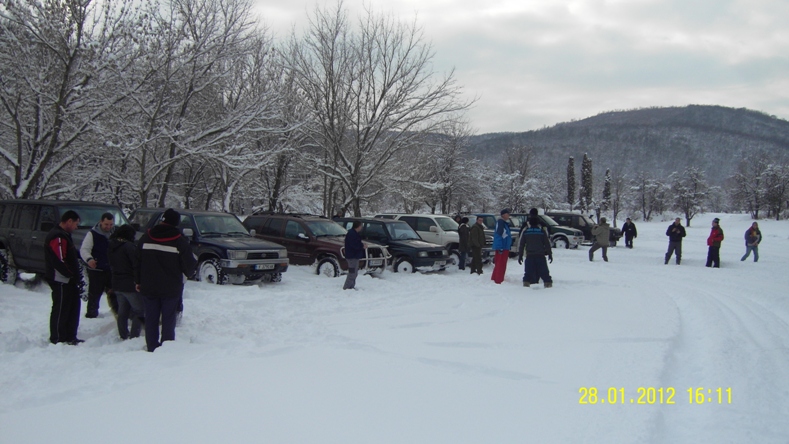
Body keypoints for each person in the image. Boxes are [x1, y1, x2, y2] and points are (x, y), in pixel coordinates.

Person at [136, 209, 197, 352]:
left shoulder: (146, 237)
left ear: (162, 220)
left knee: (151, 318)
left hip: (149, 285)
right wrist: (189, 273)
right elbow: (189, 265)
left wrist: (138, 280)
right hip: (171, 287)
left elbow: (137, 261)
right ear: (176, 223)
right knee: (168, 319)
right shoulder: (179, 241)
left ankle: (151, 346)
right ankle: (166, 349)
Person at [45, 210, 84, 345]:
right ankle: (58, 337)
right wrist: (70, 274)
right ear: (69, 221)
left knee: (72, 307)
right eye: (76, 224)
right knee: (61, 308)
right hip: (60, 279)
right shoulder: (58, 236)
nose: (76, 227)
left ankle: (70, 335)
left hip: (69, 280)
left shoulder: (65, 235)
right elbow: (59, 260)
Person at [108, 224, 143, 340]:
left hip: (116, 283)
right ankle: (134, 335)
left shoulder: (111, 245)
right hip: (129, 284)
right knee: (139, 310)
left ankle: (123, 334)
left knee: (122, 311)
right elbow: (136, 264)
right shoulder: (129, 247)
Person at [80, 212, 115, 318]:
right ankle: (92, 314)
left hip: (111, 269)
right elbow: (84, 249)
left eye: (111, 224)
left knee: (115, 293)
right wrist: (89, 259)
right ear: (101, 222)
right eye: (106, 224)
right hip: (97, 269)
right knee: (94, 294)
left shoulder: (115, 234)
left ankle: (116, 312)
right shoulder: (92, 234)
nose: (108, 227)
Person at [517, 217, 553, 288]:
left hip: (530, 255)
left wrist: (520, 255)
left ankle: (526, 285)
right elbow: (547, 244)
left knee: (528, 273)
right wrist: (550, 254)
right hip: (540, 255)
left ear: (529, 223)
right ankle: (548, 285)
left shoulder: (526, 232)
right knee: (545, 272)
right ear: (538, 223)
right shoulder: (542, 232)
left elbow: (522, 244)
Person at [491, 209, 512, 284]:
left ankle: (496, 277)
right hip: (503, 247)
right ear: (503, 215)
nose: (509, 215)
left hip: (504, 246)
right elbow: (499, 236)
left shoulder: (503, 223)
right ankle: (498, 279)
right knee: (501, 263)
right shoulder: (501, 223)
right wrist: (500, 247)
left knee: (500, 263)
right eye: (507, 214)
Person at [343, 221, 364, 290]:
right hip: (351, 256)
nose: (361, 227)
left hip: (355, 256)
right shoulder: (352, 234)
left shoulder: (355, 233)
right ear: (358, 226)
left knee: (355, 272)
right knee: (352, 273)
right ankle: (346, 287)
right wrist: (362, 246)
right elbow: (354, 245)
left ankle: (351, 286)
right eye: (361, 226)